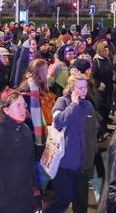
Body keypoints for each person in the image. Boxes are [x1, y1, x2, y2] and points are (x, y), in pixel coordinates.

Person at [45, 71, 99, 213]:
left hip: (82, 166)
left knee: (81, 205)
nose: (83, 91)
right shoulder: (62, 102)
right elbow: (58, 122)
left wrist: (92, 157)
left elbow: (93, 132)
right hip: (64, 165)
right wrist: (73, 106)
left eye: (85, 87)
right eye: (80, 88)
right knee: (62, 201)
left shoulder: (88, 106)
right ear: (71, 88)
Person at [0, 88, 40, 213]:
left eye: (24, 105)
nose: (23, 109)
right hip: (1, 203)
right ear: (6, 110)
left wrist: (36, 192)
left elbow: (30, 166)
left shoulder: (26, 131)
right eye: (18, 105)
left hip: (24, 201)